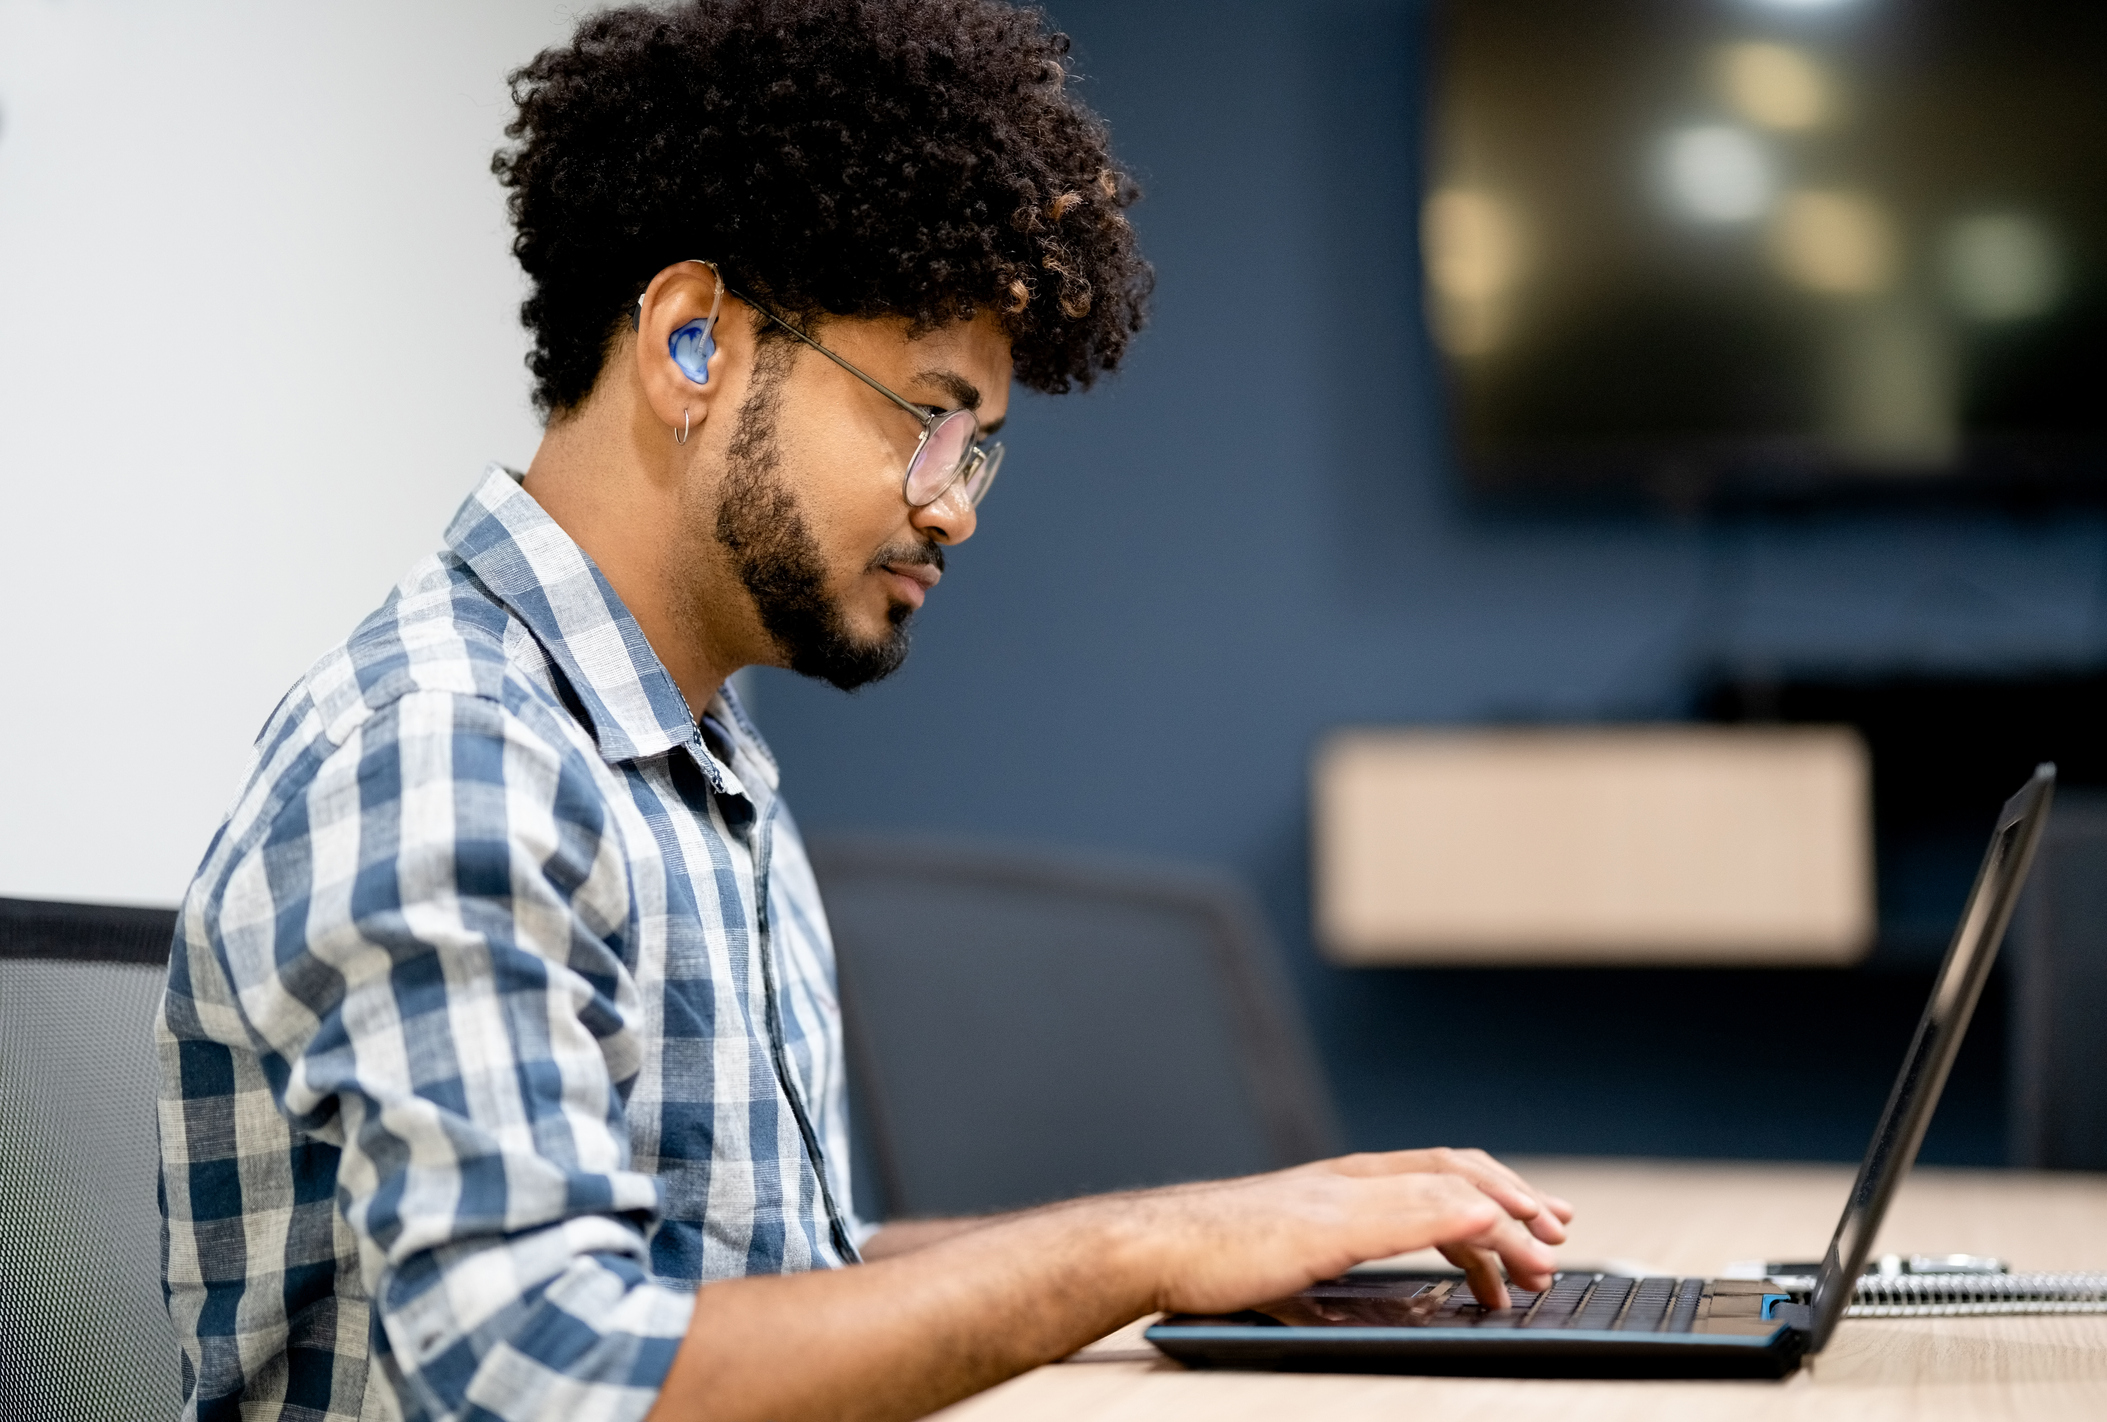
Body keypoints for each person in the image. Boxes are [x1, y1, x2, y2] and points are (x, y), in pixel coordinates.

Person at [156, 3, 1572, 1419]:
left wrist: (1205, 1240)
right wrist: (1147, 1242)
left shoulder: (696, 762)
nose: (953, 505)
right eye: (928, 418)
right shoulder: (448, 752)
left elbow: (784, 1278)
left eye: (980, 450)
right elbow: (553, 1374)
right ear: (692, 341)